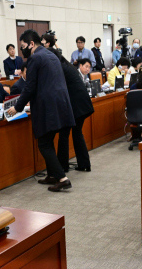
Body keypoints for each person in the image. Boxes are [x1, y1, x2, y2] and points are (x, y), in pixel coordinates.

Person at [5, 29, 75, 192]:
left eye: (23, 47)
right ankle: (52, 175)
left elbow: (30, 87)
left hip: (48, 107)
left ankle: (62, 178)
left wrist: (17, 107)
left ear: (31, 44)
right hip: (62, 104)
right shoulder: (52, 54)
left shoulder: (35, 58)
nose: (22, 51)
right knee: (48, 140)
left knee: (43, 143)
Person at [47, 48, 94, 173]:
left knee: (64, 134)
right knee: (77, 133)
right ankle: (84, 164)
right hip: (82, 104)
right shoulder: (66, 65)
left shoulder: (59, 67)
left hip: (75, 105)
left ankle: (63, 166)